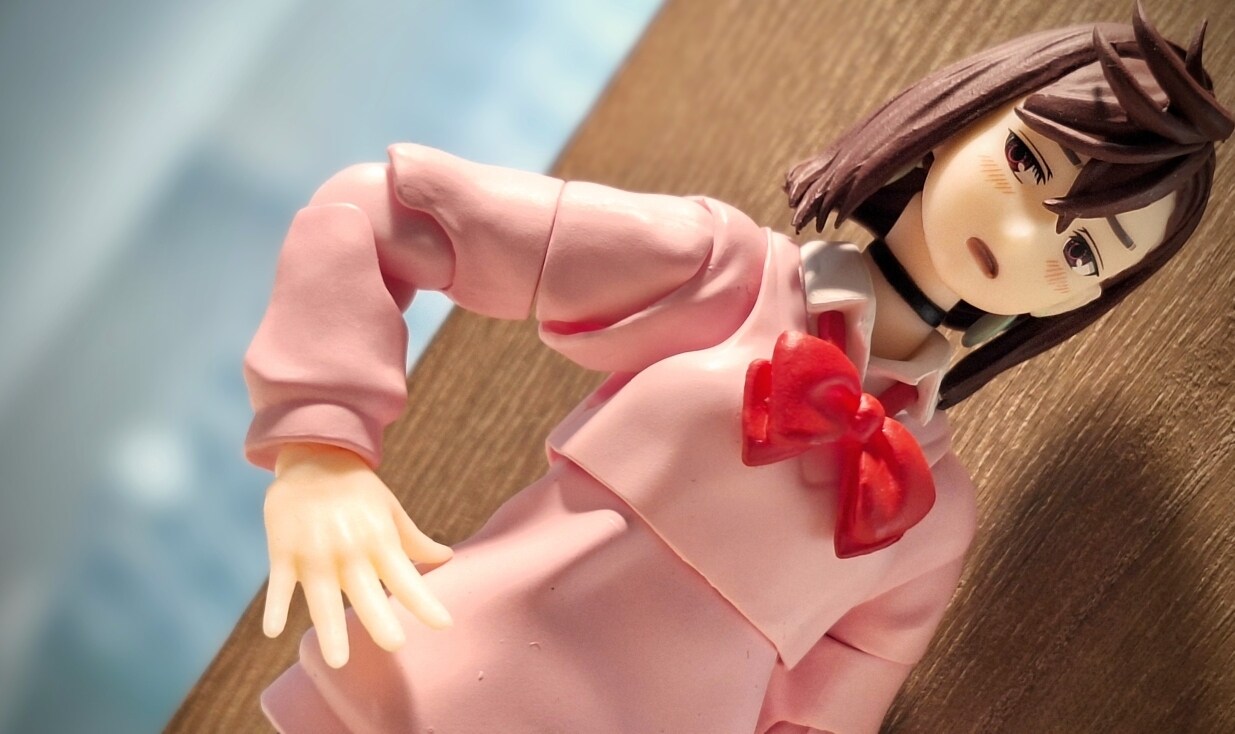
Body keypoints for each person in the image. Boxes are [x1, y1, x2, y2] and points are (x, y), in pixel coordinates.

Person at [243, 7, 1230, 733]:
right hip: (437, 692)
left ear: (1086, 299)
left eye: (1081, 252)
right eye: (1024, 163)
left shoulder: (930, 517)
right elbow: (387, 214)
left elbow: (818, 720)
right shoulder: (717, 273)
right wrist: (320, 450)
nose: (1020, 237)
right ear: (960, 117)